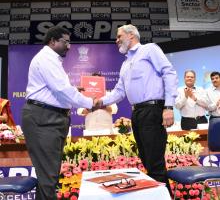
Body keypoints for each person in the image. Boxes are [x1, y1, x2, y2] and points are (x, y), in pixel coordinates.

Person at [95, 24, 178, 193]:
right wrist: (98, 102)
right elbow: (119, 92)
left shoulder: (149, 50)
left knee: (155, 164)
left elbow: (169, 73)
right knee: (147, 161)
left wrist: (168, 106)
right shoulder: (125, 63)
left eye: (119, 36)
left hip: (153, 110)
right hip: (138, 114)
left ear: (131, 35)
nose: (116, 40)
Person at [21, 26, 95, 200]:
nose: (69, 46)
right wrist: (91, 103)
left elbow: (56, 89)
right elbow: (61, 89)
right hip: (43, 118)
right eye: (65, 42)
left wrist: (72, 90)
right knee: (49, 177)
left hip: (49, 118)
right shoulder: (47, 59)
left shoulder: (51, 59)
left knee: (49, 176)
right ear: (52, 41)